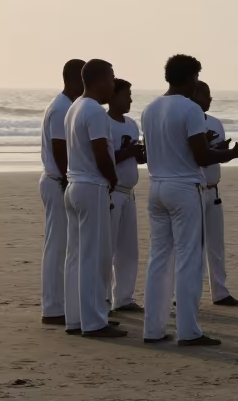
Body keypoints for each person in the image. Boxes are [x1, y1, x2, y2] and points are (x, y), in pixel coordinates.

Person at [141, 55, 238, 346]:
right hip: (183, 187)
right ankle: (189, 331)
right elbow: (201, 156)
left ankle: (152, 329)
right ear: (192, 78)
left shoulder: (150, 108)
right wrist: (232, 154)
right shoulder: (190, 109)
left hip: (156, 186)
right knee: (189, 259)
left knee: (159, 259)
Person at [63, 59, 126, 338]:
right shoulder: (94, 110)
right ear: (100, 80)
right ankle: (94, 322)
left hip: (74, 184)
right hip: (91, 186)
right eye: (112, 78)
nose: (114, 83)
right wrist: (112, 178)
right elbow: (100, 150)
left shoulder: (73, 108)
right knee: (94, 256)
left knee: (76, 256)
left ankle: (76, 318)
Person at [40, 59, 84, 326]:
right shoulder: (61, 108)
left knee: (64, 246)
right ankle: (53, 308)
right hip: (57, 181)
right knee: (57, 247)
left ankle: (63, 304)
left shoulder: (65, 106)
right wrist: (69, 181)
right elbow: (59, 148)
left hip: (59, 180)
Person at [192, 81, 238, 307]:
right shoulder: (186, 120)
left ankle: (220, 292)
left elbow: (217, 153)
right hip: (194, 189)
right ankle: (183, 292)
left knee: (216, 243)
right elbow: (195, 156)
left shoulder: (215, 123)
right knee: (192, 244)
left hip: (213, 188)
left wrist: (227, 151)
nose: (210, 99)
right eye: (206, 95)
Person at [107, 78, 144, 313]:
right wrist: (128, 151)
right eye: (126, 94)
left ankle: (124, 298)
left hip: (129, 192)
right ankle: (104, 300)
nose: (130, 98)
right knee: (107, 248)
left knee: (129, 250)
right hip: (112, 192)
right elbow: (104, 158)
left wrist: (143, 152)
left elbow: (138, 158)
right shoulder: (105, 123)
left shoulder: (131, 124)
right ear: (113, 96)